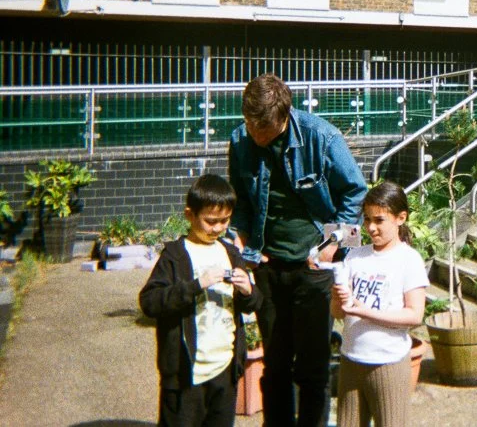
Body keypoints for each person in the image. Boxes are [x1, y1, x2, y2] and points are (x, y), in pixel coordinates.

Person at [228, 73, 367, 427]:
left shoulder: (322, 136)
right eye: (249, 125)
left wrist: (334, 246)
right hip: (267, 265)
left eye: (264, 130)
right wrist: (243, 242)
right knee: (274, 365)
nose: (255, 136)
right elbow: (241, 200)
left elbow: (356, 193)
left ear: (284, 117)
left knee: (313, 367)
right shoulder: (240, 140)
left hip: (314, 268)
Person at [140, 174, 262, 427]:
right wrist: (197, 285)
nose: (218, 228)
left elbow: (253, 302)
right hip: (186, 374)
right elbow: (150, 302)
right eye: (210, 221)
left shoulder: (229, 252)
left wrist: (248, 290)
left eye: (225, 221)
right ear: (190, 215)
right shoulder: (175, 255)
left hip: (224, 368)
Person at [331, 181, 429, 427]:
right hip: (351, 358)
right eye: (366, 220)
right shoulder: (355, 256)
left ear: (400, 218)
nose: (371, 228)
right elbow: (339, 313)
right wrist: (336, 298)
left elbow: (414, 315)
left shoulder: (409, 259)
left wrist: (365, 311)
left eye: (379, 220)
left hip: (388, 362)